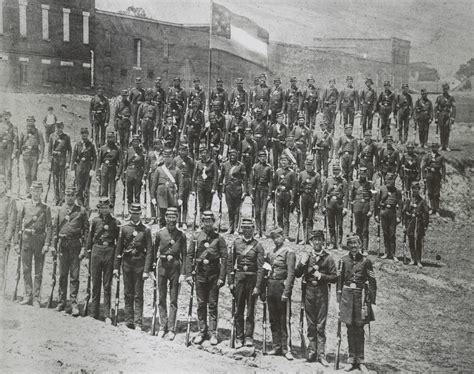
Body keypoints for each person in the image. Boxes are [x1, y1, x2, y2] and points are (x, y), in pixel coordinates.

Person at [295, 230, 337, 365]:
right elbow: (297, 274)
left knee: (320, 324)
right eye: (315, 240)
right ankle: (312, 351)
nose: (317, 242)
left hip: (322, 292)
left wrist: (323, 277)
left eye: (320, 240)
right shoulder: (306, 256)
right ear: (311, 242)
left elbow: (335, 277)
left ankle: (321, 354)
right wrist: (302, 263)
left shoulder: (328, 258)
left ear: (323, 242)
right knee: (311, 323)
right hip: (308, 292)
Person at [186, 211, 227, 345]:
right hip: (200, 275)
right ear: (202, 222)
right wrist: (188, 273)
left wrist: (222, 277)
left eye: (210, 221)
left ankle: (213, 333)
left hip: (214, 276)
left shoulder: (219, 238)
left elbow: (224, 258)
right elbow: (189, 255)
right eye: (205, 221)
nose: (208, 223)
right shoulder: (196, 236)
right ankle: (202, 331)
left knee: (213, 305)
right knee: (201, 304)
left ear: (213, 222)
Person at [337, 234, 376, 371]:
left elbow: (372, 282)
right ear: (348, 245)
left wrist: (370, 301)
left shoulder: (366, 261)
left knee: (359, 329)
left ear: (359, 244)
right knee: (349, 327)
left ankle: (360, 360)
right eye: (350, 243)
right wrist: (339, 300)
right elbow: (339, 282)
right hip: (347, 297)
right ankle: (351, 358)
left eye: (355, 243)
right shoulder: (343, 260)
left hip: (361, 298)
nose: (353, 246)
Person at [146, 207, 186, 339]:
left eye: (174, 217)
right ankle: (163, 326)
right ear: (165, 218)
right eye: (169, 217)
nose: (171, 220)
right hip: (162, 266)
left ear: (177, 218)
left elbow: (185, 255)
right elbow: (152, 251)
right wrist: (151, 270)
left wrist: (183, 273)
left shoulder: (181, 235)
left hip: (175, 267)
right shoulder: (159, 234)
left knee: (173, 299)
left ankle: (171, 328)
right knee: (161, 298)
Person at [227, 217, 264, 348]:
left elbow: (260, 268)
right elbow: (230, 263)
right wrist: (230, 282)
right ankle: (239, 337)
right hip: (239, 279)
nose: (247, 231)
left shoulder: (258, 246)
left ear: (253, 229)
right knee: (238, 310)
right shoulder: (236, 243)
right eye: (244, 228)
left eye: (249, 228)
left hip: (252, 280)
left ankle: (248, 337)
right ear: (241, 229)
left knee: (250, 311)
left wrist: (258, 286)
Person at [114, 203, 152, 330]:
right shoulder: (124, 229)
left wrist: (146, 270)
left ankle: (138, 322)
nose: (135, 216)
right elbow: (119, 249)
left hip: (139, 265)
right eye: (133, 213)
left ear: (140, 215)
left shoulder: (146, 230)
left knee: (138, 294)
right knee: (128, 292)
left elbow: (150, 251)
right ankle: (128, 320)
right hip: (127, 264)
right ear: (130, 214)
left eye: (137, 214)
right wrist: (116, 267)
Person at [52, 187, 89, 316]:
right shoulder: (60, 210)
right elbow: (55, 229)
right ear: (64, 196)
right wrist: (53, 245)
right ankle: (61, 302)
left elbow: (86, 231)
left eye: (72, 195)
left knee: (74, 276)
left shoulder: (81, 211)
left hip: (75, 246)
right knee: (62, 275)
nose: (70, 197)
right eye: (67, 195)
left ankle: (73, 303)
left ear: (75, 196)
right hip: (63, 245)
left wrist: (84, 248)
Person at [15, 181, 52, 306]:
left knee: (38, 271)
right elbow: (17, 225)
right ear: (31, 191)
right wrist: (16, 242)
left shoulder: (45, 208)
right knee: (26, 269)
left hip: (39, 240)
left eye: (38, 191)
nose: (36, 193)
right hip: (26, 239)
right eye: (34, 191)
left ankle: (36, 297)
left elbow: (50, 227)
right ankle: (27, 295)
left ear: (42, 192)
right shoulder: (24, 206)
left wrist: (47, 243)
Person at [85, 197, 120, 322]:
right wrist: (88, 254)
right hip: (97, 251)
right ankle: (93, 312)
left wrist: (116, 259)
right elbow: (90, 238)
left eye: (106, 208)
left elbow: (118, 242)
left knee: (107, 285)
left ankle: (106, 314)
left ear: (109, 208)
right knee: (95, 283)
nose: (104, 210)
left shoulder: (115, 222)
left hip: (109, 251)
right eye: (102, 208)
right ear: (99, 209)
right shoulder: (95, 221)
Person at [264, 227, 296, 360]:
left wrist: (287, 292)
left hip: (282, 287)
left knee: (284, 319)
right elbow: (266, 271)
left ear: (283, 237)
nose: (276, 240)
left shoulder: (289, 252)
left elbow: (291, 274)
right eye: (274, 238)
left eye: (278, 237)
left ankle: (286, 348)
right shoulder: (270, 253)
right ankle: (276, 346)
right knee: (273, 319)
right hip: (271, 287)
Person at [218, 149, 247, 234]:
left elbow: (244, 179)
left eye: (234, 155)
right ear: (229, 156)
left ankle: (236, 228)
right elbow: (221, 178)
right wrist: (219, 190)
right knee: (230, 209)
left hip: (237, 189)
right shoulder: (225, 165)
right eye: (231, 155)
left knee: (237, 209)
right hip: (228, 189)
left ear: (237, 156)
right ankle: (230, 227)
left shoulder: (241, 165)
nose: (232, 157)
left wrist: (245, 191)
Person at [320, 163, 349, 249]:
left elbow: (346, 195)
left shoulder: (343, 181)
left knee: (339, 225)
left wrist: (345, 207)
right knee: (331, 225)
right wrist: (322, 206)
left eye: (337, 170)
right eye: (334, 170)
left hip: (339, 205)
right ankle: (332, 242)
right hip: (330, 205)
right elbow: (323, 194)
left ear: (340, 171)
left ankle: (339, 243)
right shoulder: (328, 180)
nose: (336, 172)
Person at [375, 172, 402, 260]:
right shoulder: (382, 189)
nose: (389, 181)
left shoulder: (397, 191)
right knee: (385, 233)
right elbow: (377, 203)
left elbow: (400, 205)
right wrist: (376, 215)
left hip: (392, 214)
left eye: (391, 180)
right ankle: (386, 252)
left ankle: (393, 254)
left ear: (394, 181)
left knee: (392, 234)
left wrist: (398, 216)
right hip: (384, 213)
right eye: (387, 180)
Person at [150, 148, 181, 226]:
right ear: (163, 158)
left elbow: (180, 185)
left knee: (172, 214)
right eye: (165, 157)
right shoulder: (159, 169)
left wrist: (180, 198)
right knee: (162, 215)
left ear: (172, 157)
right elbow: (154, 185)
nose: (167, 159)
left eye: (169, 157)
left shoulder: (177, 170)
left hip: (172, 195)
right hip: (161, 196)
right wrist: (153, 197)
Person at [403, 182, 430, 268]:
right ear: (411, 189)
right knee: (411, 240)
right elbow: (404, 213)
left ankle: (418, 260)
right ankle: (412, 259)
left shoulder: (422, 201)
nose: (415, 190)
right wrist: (404, 225)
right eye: (413, 188)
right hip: (410, 223)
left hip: (419, 223)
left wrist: (425, 225)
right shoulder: (408, 200)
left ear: (419, 190)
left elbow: (426, 214)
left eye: (416, 189)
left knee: (418, 241)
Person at [296, 157, 322, 242]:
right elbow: (297, 188)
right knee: (303, 218)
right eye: (307, 165)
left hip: (312, 198)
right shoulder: (301, 174)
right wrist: (297, 202)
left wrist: (317, 201)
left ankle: (309, 237)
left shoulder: (317, 175)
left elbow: (319, 189)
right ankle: (304, 238)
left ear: (313, 166)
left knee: (310, 218)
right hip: (303, 197)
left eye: (310, 165)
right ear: (304, 165)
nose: (308, 167)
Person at [350, 167, 375, 254]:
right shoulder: (355, 183)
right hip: (357, 208)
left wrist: (371, 210)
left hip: (366, 209)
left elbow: (372, 199)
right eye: (361, 174)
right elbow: (352, 197)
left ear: (366, 174)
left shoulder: (370, 184)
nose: (362, 176)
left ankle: (365, 248)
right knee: (358, 228)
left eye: (363, 174)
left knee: (365, 230)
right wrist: (351, 209)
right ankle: (358, 247)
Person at [272, 154, 297, 240]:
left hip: (287, 195)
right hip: (279, 194)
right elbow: (273, 184)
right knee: (279, 216)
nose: (283, 162)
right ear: (280, 162)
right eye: (282, 160)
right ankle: (280, 234)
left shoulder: (292, 173)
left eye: (285, 161)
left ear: (288, 162)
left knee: (286, 217)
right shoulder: (277, 171)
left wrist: (292, 199)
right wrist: (272, 197)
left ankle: (286, 235)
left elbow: (294, 187)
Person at [18, 116, 45, 193]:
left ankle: (33, 191)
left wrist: (41, 158)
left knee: (33, 175)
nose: (30, 122)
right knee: (27, 175)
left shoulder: (38, 132)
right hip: (25, 155)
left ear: (34, 121)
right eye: (29, 120)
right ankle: (28, 191)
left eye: (32, 120)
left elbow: (42, 145)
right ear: (27, 121)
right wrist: (19, 154)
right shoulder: (23, 131)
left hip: (34, 155)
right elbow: (19, 144)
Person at [97, 131, 123, 209]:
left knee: (112, 192)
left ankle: (111, 210)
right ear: (106, 138)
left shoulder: (117, 149)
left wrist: (118, 174)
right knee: (103, 191)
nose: (110, 139)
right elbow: (99, 162)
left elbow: (121, 162)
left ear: (114, 138)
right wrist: (98, 174)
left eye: (112, 137)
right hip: (104, 170)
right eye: (108, 137)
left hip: (113, 171)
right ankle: (103, 209)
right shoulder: (103, 148)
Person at [71, 127, 97, 208]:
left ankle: (86, 207)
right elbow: (74, 158)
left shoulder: (91, 145)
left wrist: (92, 169)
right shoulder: (77, 145)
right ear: (81, 134)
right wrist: (72, 170)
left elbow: (95, 158)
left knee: (86, 190)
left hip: (87, 169)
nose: (84, 135)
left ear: (88, 134)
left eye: (85, 133)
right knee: (78, 189)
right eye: (83, 133)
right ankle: (80, 206)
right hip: (79, 169)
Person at [0, 175, 17, 294]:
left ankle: (1, 288)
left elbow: (12, 221)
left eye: (1, 183)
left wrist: (7, 238)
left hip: (2, 236)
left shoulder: (10, 201)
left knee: (1, 264)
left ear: (5, 186)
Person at [48, 121, 72, 206]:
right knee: (55, 180)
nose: (58, 129)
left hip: (62, 160)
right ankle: (56, 198)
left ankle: (62, 199)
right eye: (57, 127)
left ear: (63, 127)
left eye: (60, 127)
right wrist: (49, 162)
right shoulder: (52, 136)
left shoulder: (66, 137)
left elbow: (70, 150)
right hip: (54, 160)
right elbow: (49, 150)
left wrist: (68, 162)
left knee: (62, 181)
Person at [192, 146, 218, 218]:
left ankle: (207, 221)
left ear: (208, 154)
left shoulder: (213, 163)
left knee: (208, 205)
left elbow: (215, 176)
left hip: (209, 186)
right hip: (200, 185)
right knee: (201, 205)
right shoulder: (198, 163)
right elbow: (194, 176)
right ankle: (201, 222)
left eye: (205, 153)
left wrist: (214, 187)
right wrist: (193, 189)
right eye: (201, 153)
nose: (203, 154)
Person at [173, 143, 194, 229]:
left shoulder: (190, 160)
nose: (183, 152)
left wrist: (192, 186)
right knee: (178, 202)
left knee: (185, 203)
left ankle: (184, 221)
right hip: (178, 183)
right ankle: (178, 221)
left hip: (186, 183)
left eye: (184, 150)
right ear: (179, 151)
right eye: (181, 150)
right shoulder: (175, 160)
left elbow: (192, 173)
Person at [421, 142, 446, 215]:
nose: (435, 148)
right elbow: (423, 167)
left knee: (436, 193)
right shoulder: (427, 156)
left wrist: (443, 179)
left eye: (436, 147)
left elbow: (443, 168)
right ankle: (432, 208)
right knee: (430, 192)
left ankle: (437, 209)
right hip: (429, 175)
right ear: (431, 148)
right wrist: (424, 177)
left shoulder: (441, 157)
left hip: (437, 175)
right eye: (434, 147)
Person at [123, 135, 146, 214]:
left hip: (138, 174)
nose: (136, 143)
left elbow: (143, 164)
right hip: (129, 173)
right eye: (134, 141)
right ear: (132, 142)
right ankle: (130, 211)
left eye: (137, 141)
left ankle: (136, 211)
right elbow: (125, 163)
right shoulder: (128, 151)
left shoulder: (141, 151)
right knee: (129, 194)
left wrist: (143, 176)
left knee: (137, 194)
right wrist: (124, 175)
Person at [435, 83, 456, 151]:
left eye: (446, 89)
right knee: (441, 131)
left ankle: (446, 145)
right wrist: (436, 117)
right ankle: (441, 145)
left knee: (447, 130)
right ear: (442, 89)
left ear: (448, 89)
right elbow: (435, 108)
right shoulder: (439, 97)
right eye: (444, 89)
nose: (445, 90)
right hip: (441, 115)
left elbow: (454, 108)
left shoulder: (451, 98)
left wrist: (452, 117)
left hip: (447, 115)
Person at [0, 112, 18, 190]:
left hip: (9, 149)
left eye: (8, 115)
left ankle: (8, 187)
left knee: (9, 169)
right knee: (1, 169)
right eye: (4, 115)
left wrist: (14, 152)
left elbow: (16, 140)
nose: (6, 117)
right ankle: (2, 187)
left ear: (10, 116)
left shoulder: (13, 126)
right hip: (0, 148)